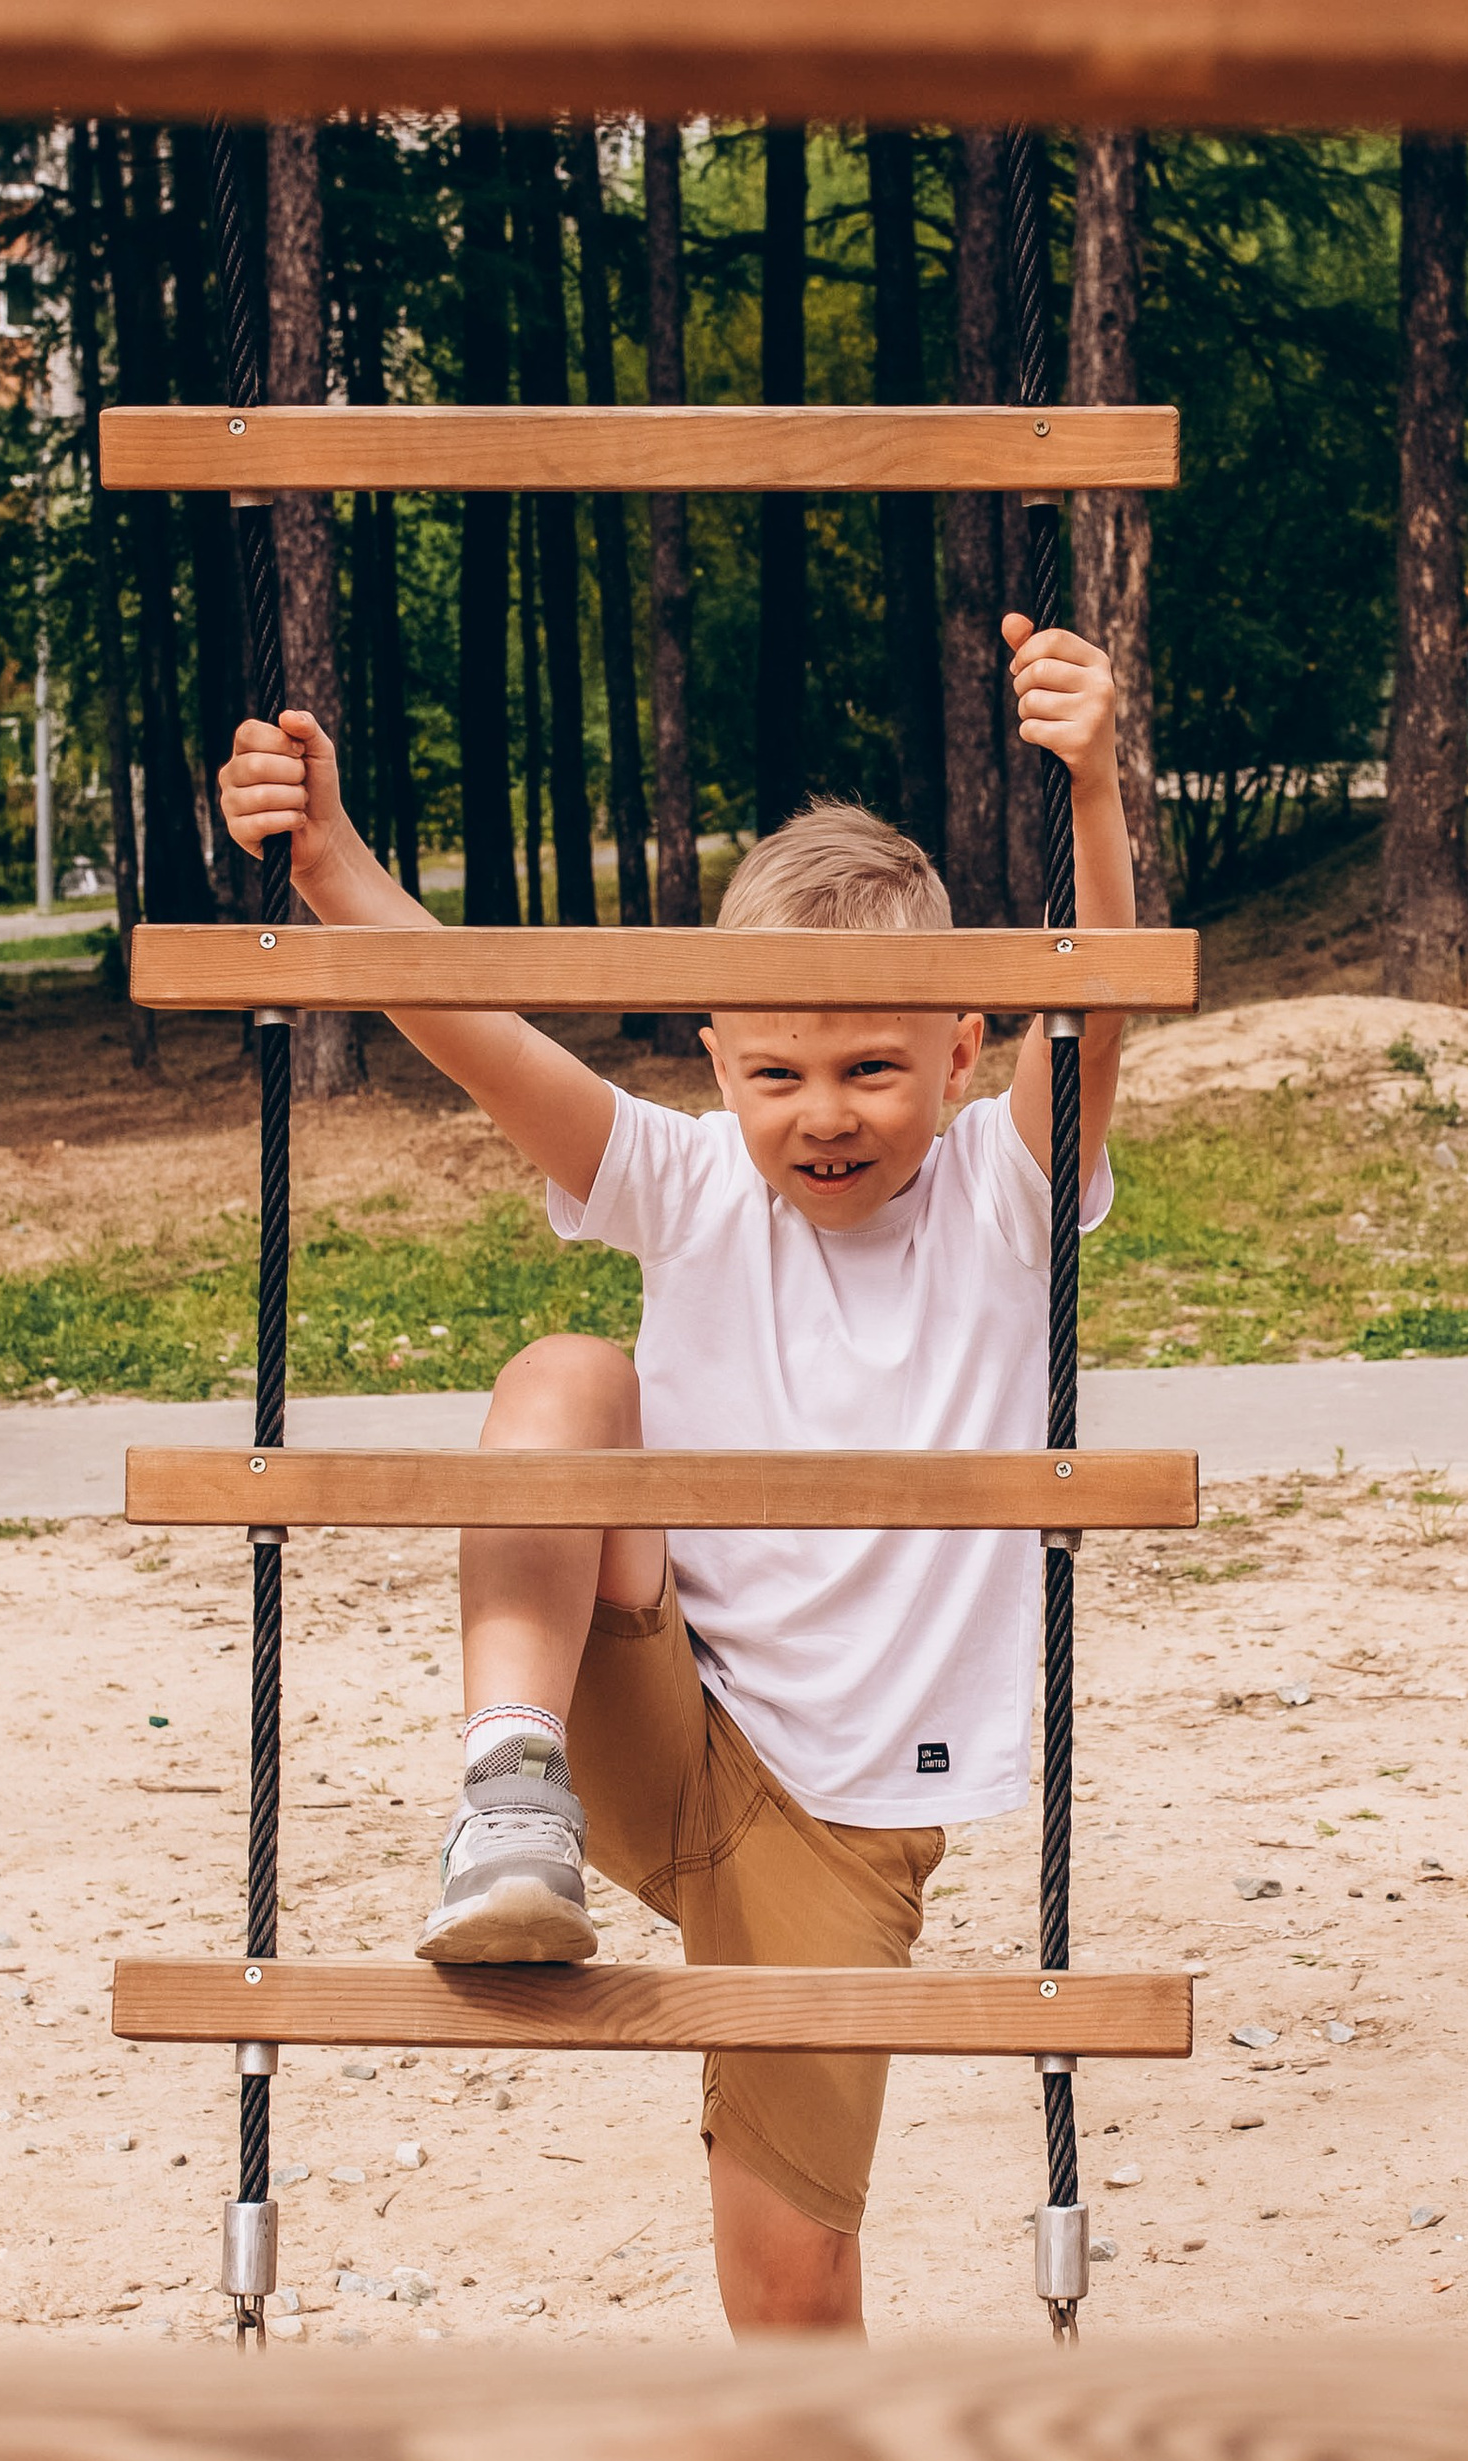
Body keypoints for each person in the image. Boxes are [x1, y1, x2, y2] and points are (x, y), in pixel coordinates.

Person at [215, 612, 1135, 2333]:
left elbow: (1098, 1005)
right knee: (567, 1377)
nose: (824, 1112)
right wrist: (332, 865)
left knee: (787, 2282)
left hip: (845, 1826)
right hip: (663, 1711)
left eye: (872, 1065)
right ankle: (509, 1793)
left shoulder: (1005, 1211)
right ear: (716, 1064)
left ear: (959, 1050)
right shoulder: (687, 1183)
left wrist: (1091, 787)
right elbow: (476, 1026)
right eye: (775, 1072)